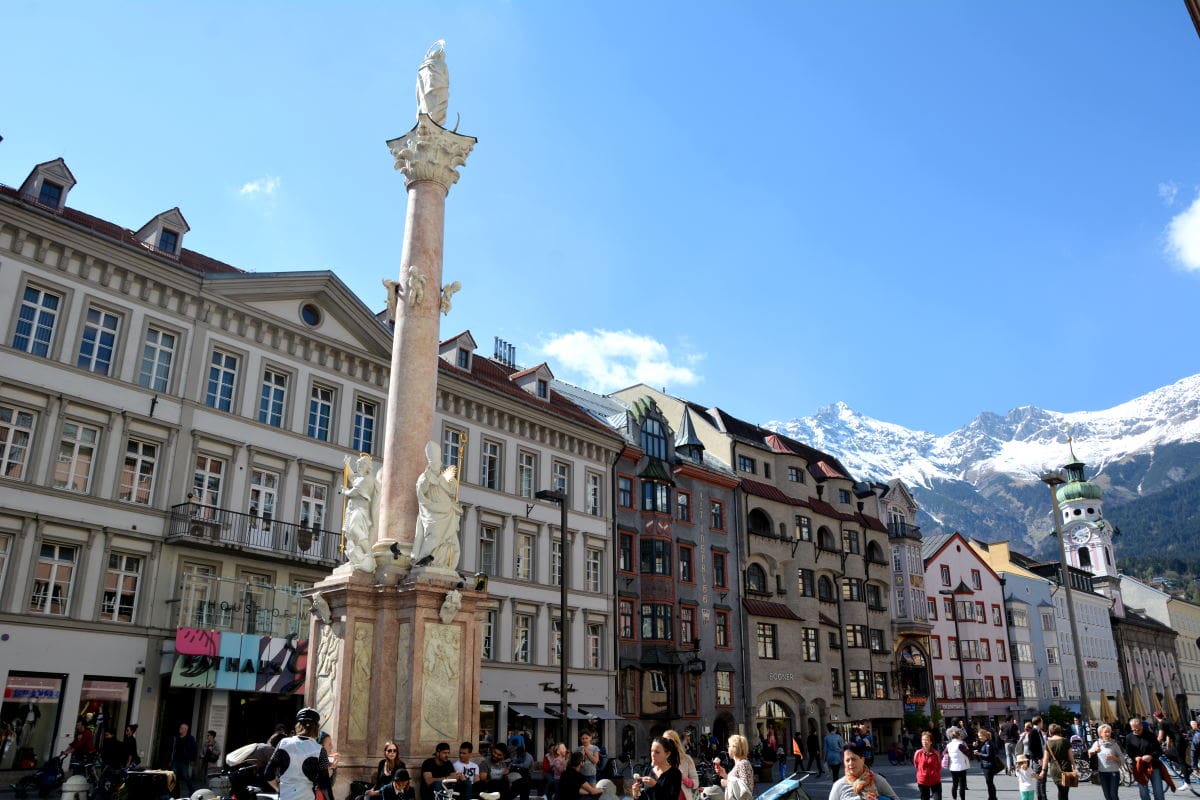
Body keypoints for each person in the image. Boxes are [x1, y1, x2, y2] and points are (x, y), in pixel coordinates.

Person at [411, 442, 463, 569]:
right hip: (433, 515)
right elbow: (421, 493)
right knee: (433, 539)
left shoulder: (445, 478)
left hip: (447, 513)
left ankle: (448, 567)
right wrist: (429, 481)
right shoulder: (424, 477)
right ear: (429, 464)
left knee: (454, 546)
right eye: (433, 464)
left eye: (438, 464)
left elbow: (453, 492)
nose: (437, 467)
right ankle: (420, 561)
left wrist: (452, 487)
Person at [265, 707, 331, 800]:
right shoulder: (320, 750)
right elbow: (324, 784)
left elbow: (268, 773)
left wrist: (279, 789)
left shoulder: (283, 743)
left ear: (298, 725)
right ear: (316, 728)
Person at [829, 742, 895, 800]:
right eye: (847, 760)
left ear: (862, 760)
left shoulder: (877, 780)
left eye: (854, 759)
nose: (850, 763)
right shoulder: (839, 785)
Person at [1126, 717, 1167, 800]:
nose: (1136, 731)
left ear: (1141, 726)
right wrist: (1135, 757)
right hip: (1139, 767)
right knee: (1143, 792)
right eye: (1134, 730)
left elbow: (1158, 750)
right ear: (1131, 728)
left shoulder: (1150, 735)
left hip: (1153, 765)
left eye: (1138, 729)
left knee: (1158, 790)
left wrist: (1151, 756)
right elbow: (1129, 751)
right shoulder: (1129, 737)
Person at [1090, 723, 1126, 800]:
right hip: (1102, 773)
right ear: (1100, 734)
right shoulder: (1097, 743)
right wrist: (1095, 751)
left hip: (1113, 772)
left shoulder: (1114, 744)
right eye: (1105, 732)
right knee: (1107, 796)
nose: (1108, 733)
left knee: (1113, 795)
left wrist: (1114, 758)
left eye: (1109, 731)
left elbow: (1122, 758)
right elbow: (1089, 753)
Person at [662, 731, 698, 800]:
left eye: (670, 741)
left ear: (676, 743)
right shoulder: (660, 760)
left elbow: (696, 783)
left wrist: (683, 778)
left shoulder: (686, 759)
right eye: (664, 741)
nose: (667, 744)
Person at [1042, 724, 1075, 800]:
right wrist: (1074, 765)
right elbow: (1071, 756)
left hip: (1055, 768)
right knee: (1065, 791)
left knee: (1060, 789)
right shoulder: (1065, 741)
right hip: (1066, 767)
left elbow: (1045, 759)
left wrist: (1043, 771)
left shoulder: (1048, 743)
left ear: (1050, 732)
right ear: (1059, 731)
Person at [169, 722, 198, 794]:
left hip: (184, 760)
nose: (180, 729)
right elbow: (172, 749)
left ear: (185, 729)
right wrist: (170, 759)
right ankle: (174, 791)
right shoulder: (176, 738)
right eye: (180, 728)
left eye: (181, 728)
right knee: (174, 776)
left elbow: (194, 749)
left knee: (186, 776)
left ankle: (191, 790)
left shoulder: (190, 738)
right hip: (175, 760)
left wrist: (192, 760)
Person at [913, 731, 942, 800]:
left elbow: (939, 766)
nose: (924, 741)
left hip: (935, 781)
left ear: (931, 742)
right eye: (923, 740)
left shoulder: (936, 753)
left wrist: (934, 774)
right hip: (923, 781)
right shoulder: (918, 753)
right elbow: (916, 765)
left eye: (926, 740)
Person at [945, 726, 971, 800]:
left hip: (952, 766)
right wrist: (967, 747)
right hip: (961, 766)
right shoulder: (960, 745)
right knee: (962, 785)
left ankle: (954, 798)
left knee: (954, 784)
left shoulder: (948, 745)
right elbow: (968, 753)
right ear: (958, 736)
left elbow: (944, 753)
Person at [977, 729, 1002, 800]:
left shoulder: (988, 743)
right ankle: (992, 797)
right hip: (986, 765)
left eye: (980, 736)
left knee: (989, 782)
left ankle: (992, 797)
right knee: (989, 782)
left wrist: (979, 754)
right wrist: (977, 748)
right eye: (979, 736)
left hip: (988, 765)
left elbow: (989, 755)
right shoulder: (985, 743)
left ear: (984, 736)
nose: (979, 738)